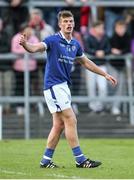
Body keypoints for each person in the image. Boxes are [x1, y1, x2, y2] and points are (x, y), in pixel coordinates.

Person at [19, 10, 117, 168]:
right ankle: (80, 160)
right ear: (59, 24)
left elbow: (85, 62)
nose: (68, 24)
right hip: (53, 86)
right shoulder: (52, 40)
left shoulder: (75, 44)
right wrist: (25, 45)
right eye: (65, 22)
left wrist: (104, 74)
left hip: (63, 86)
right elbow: (36, 47)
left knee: (59, 125)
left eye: (70, 21)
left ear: (74, 23)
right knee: (71, 119)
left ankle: (45, 161)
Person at [11, 23, 39, 115]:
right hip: (19, 68)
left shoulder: (34, 38)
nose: (29, 31)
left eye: (30, 29)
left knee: (29, 87)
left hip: (31, 67)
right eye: (27, 29)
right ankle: (19, 107)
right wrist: (27, 50)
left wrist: (29, 49)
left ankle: (28, 107)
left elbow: (37, 48)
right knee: (19, 87)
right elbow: (14, 50)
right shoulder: (16, 38)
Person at [84, 21, 111, 113]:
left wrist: (103, 52)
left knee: (103, 88)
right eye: (99, 28)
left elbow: (108, 49)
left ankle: (100, 107)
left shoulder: (105, 37)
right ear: (94, 29)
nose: (101, 30)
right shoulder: (88, 37)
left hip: (102, 65)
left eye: (102, 28)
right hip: (90, 66)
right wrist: (96, 52)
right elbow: (86, 49)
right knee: (91, 87)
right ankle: (93, 107)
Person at [109, 20, 131, 115]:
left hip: (122, 66)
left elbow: (128, 49)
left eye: (123, 28)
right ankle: (109, 104)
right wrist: (112, 51)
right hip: (112, 65)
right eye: (119, 28)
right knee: (112, 85)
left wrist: (120, 52)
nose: (121, 30)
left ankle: (115, 107)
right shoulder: (111, 37)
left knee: (120, 87)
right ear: (116, 28)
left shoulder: (128, 37)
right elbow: (108, 49)